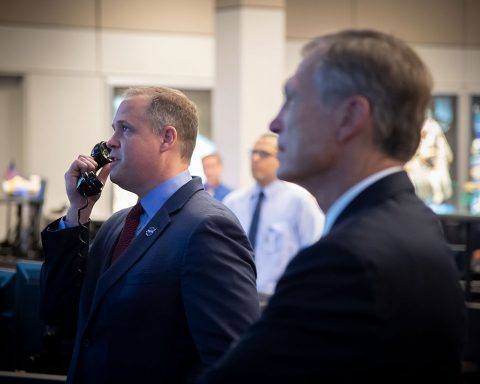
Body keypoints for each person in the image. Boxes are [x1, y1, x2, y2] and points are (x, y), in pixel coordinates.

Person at [199, 29, 466, 383]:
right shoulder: (413, 223)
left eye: (291, 99)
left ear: (349, 117)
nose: (275, 123)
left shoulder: (345, 260)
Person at [40, 87, 260, 384]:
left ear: (167, 138)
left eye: (125, 130)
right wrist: (77, 212)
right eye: (113, 130)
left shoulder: (208, 228)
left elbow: (234, 363)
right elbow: (59, 313)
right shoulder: (117, 225)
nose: (110, 143)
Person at [223, 133, 324, 298]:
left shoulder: (299, 200)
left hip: (282, 297)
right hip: (238, 295)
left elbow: (316, 249)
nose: (255, 159)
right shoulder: (234, 202)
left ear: (280, 157)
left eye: (264, 154)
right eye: (253, 153)